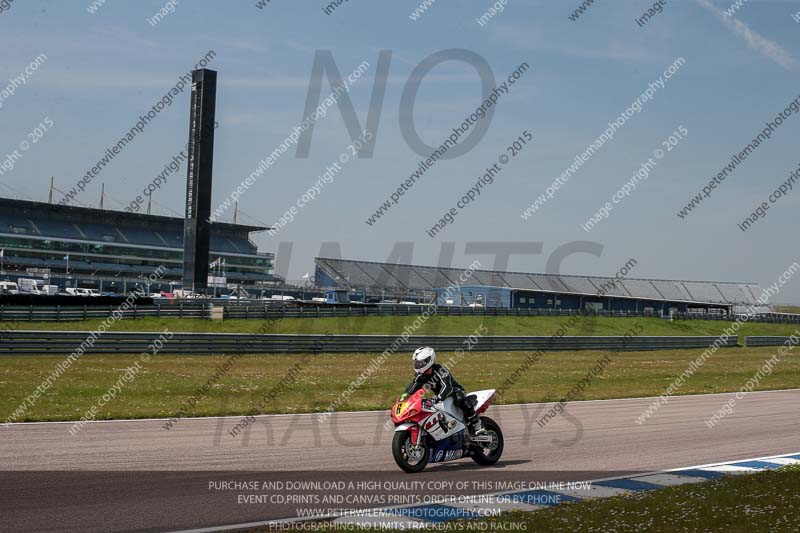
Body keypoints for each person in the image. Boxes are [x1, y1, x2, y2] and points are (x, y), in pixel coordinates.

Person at [402, 346, 485, 436]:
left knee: (460, 398)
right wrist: (404, 399)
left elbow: (447, 387)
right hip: (441, 397)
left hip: (453, 392)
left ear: (429, 361)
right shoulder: (420, 375)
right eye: (417, 362)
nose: (418, 365)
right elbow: (413, 389)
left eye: (421, 362)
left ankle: (477, 424)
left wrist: (438, 398)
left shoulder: (440, 370)